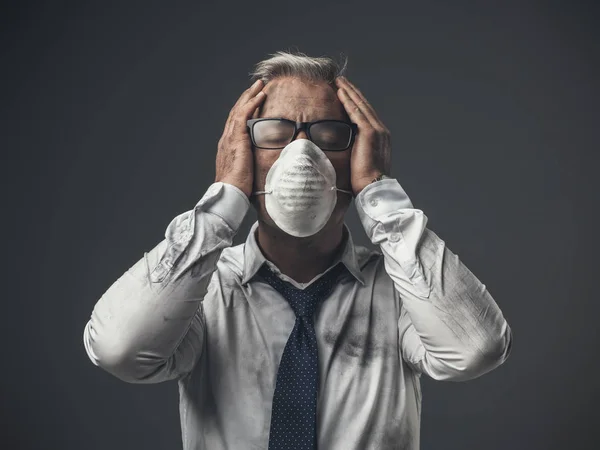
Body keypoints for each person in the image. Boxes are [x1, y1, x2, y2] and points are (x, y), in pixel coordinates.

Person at [83, 51, 512, 450]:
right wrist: (223, 201)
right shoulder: (203, 288)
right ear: (241, 152)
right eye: (274, 133)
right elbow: (119, 350)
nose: (301, 153)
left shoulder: (401, 290)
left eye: (329, 134)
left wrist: (382, 196)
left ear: (358, 154)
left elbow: (476, 350)